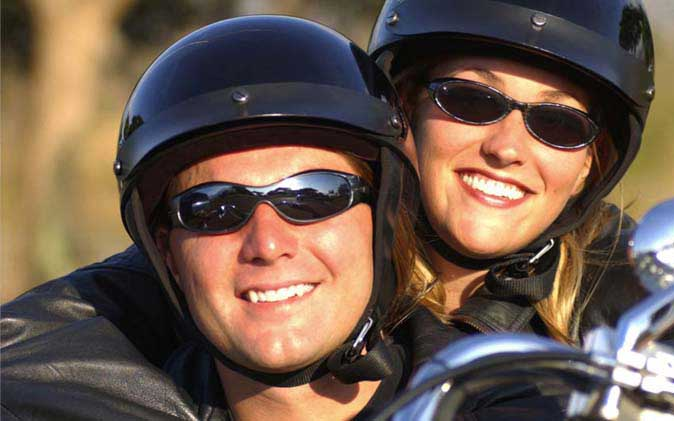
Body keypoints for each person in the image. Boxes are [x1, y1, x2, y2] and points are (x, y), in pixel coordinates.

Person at [1, 15, 459, 420]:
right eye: (214, 209)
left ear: (383, 221)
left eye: (314, 196)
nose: (267, 243)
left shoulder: (513, 398)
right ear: (168, 256)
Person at [368, 0, 674, 405]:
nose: (506, 148)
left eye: (558, 124)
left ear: (591, 163)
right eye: (472, 100)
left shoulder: (626, 273)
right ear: (407, 107)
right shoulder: (326, 243)